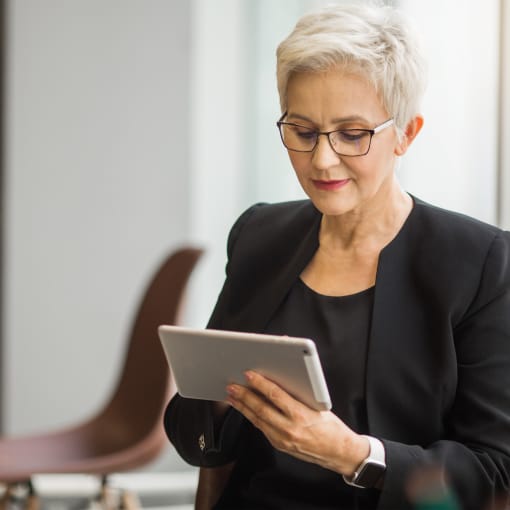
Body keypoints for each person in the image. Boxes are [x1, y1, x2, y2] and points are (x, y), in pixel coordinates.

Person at [164, 3, 510, 509]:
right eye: (302, 131)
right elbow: (193, 432)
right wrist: (221, 398)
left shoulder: (480, 263)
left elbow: (495, 470)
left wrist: (353, 454)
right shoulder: (260, 235)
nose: (322, 160)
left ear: (406, 135)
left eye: (352, 134)